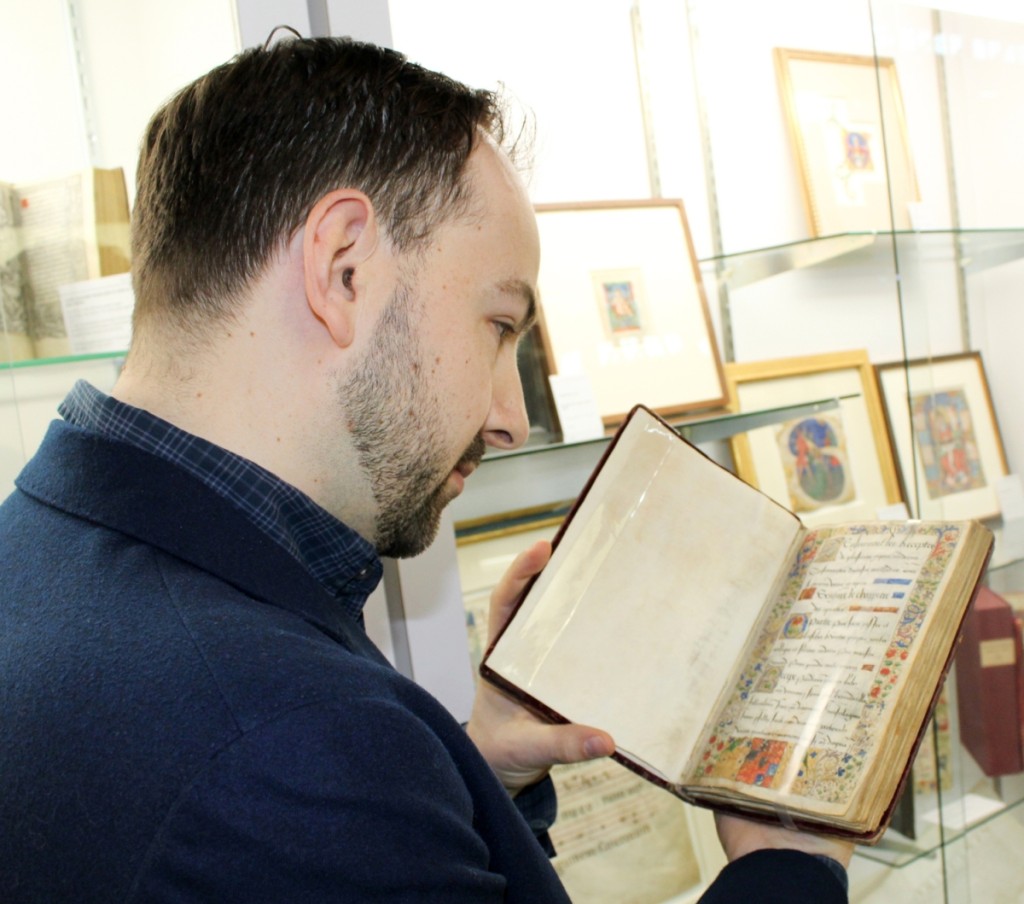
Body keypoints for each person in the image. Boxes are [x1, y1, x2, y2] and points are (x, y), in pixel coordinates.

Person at [0, 35, 852, 902]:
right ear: (343, 268)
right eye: (499, 326)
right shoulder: (293, 741)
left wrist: (480, 765)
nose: (512, 419)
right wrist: (789, 867)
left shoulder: (38, 545)